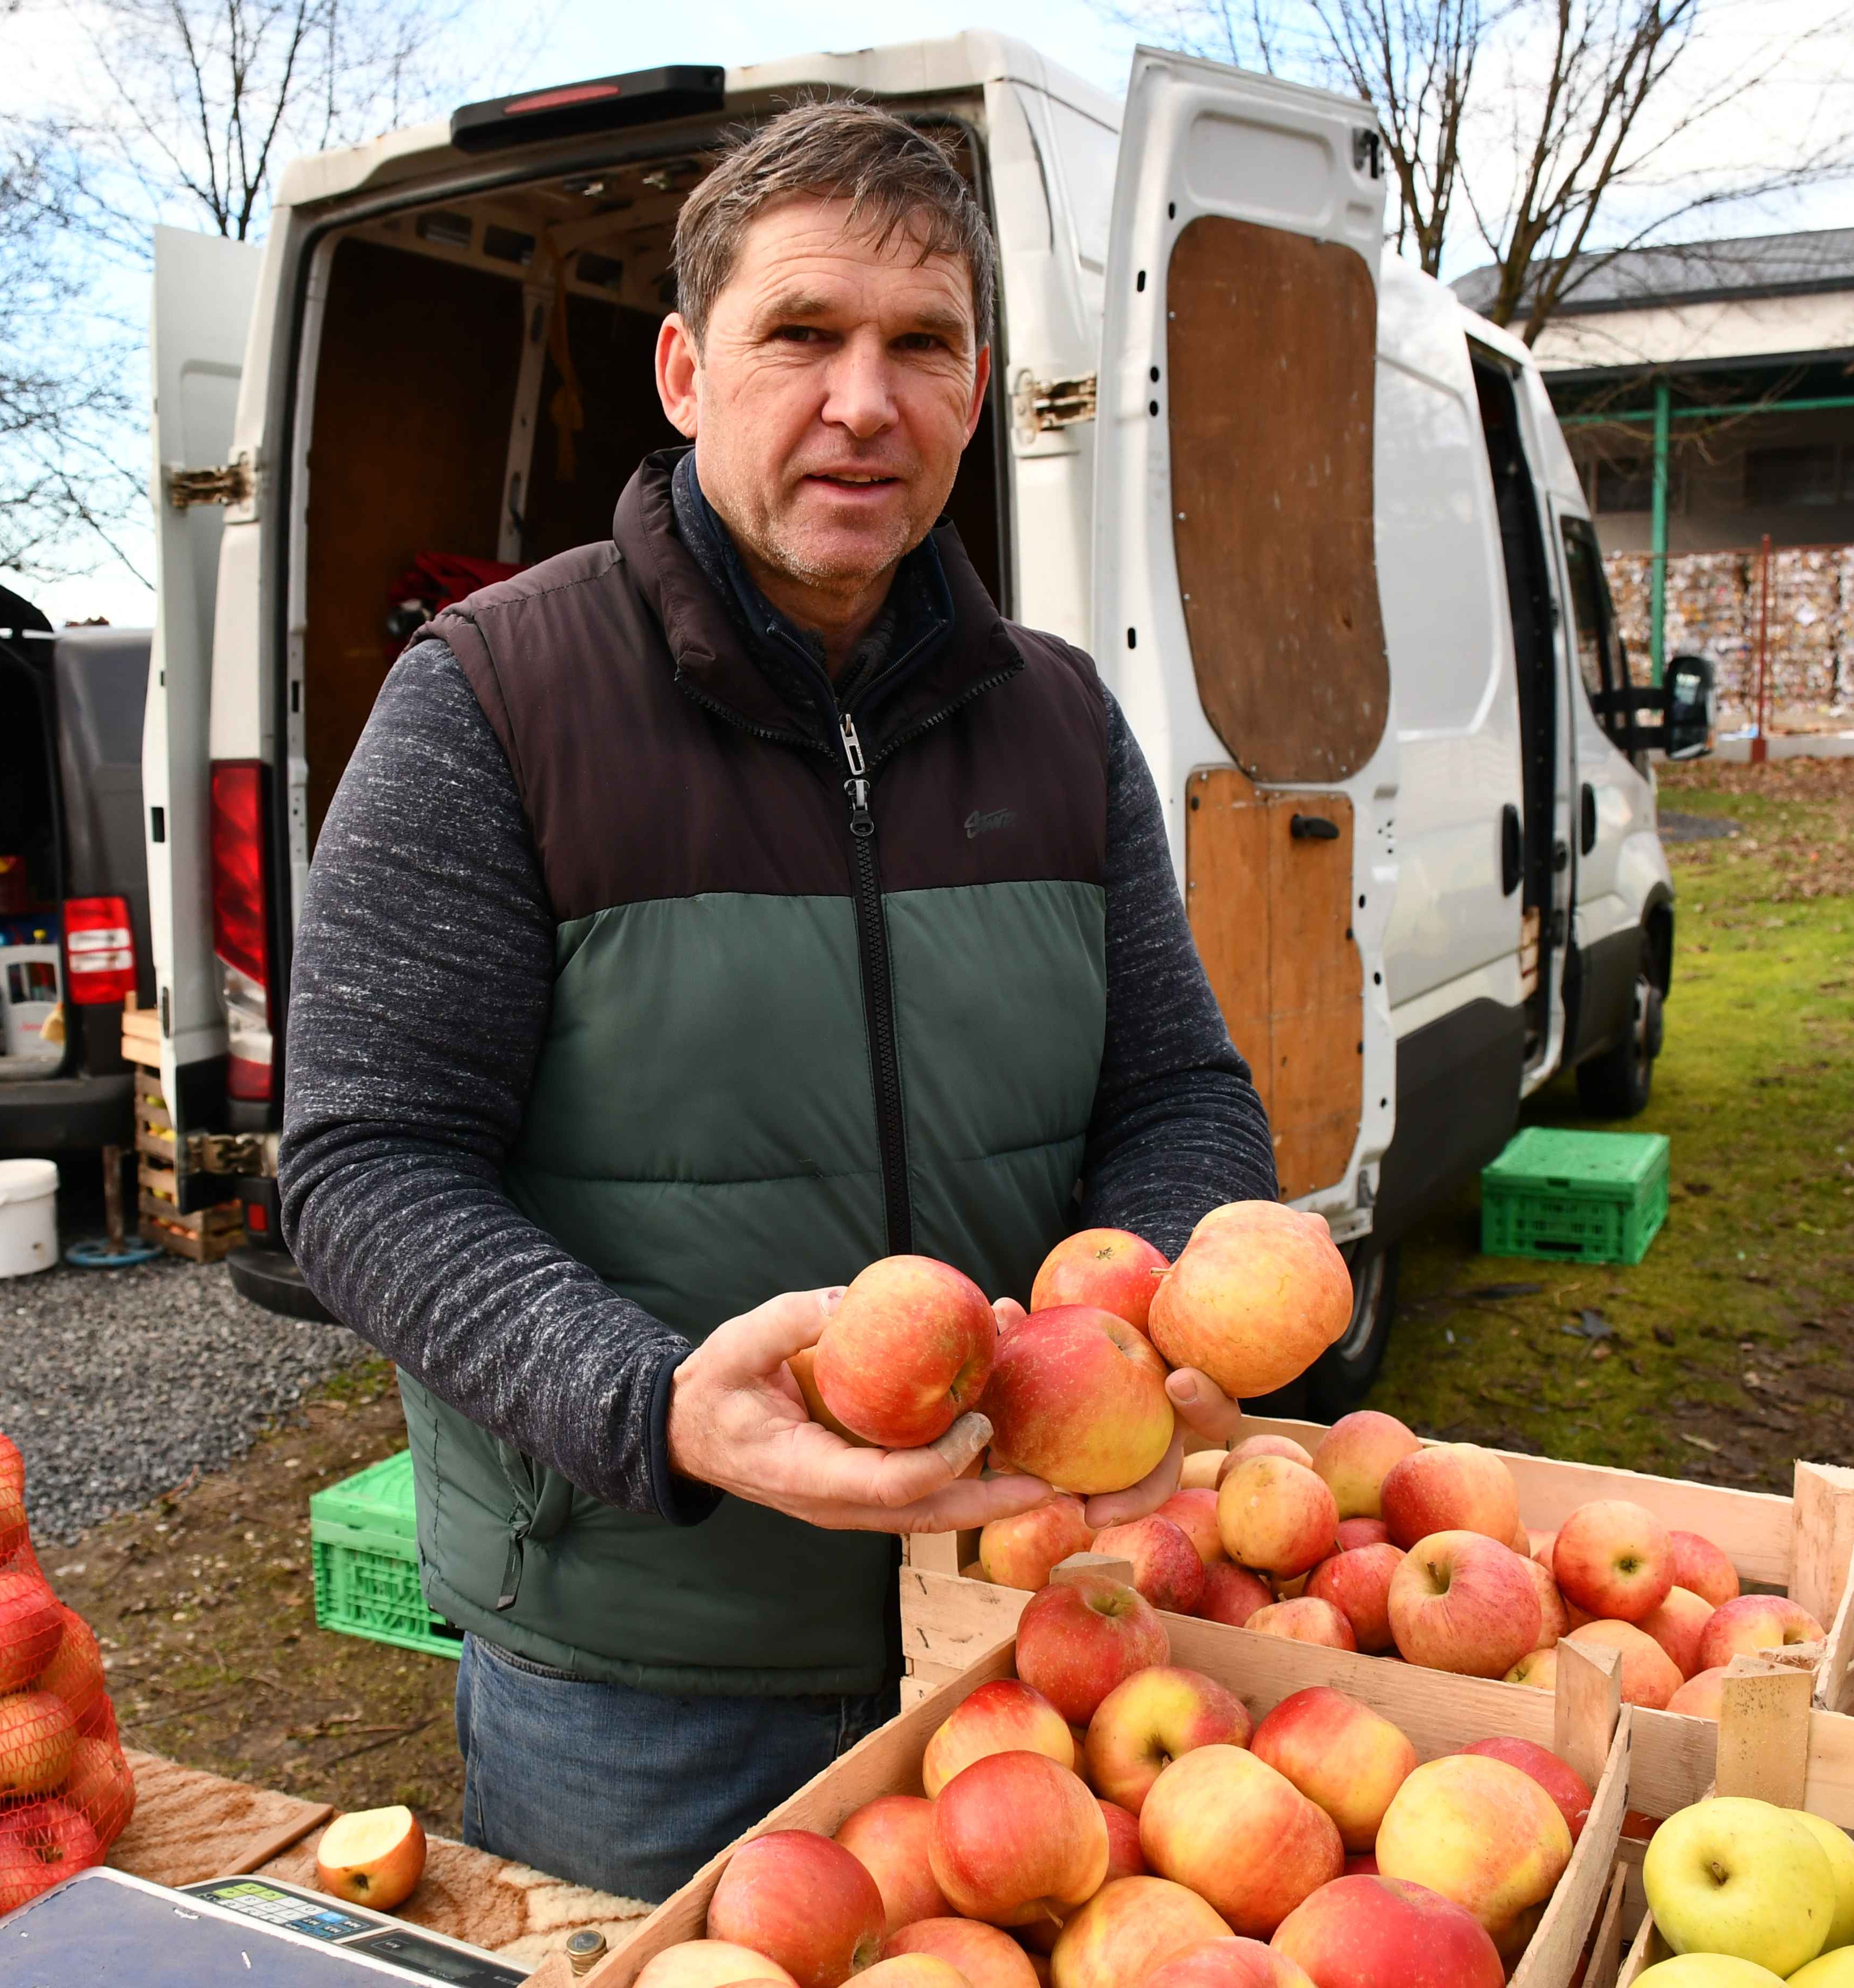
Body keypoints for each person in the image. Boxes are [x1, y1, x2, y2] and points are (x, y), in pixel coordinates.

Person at [279, 100, 1282, 1899]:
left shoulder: (1058, 721)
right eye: (799, 335)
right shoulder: (492, 704)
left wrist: (1148, 1306)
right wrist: (650, 1403)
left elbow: (1176, 1091)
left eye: (919, 347)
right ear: (682, 370)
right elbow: (362, 1167)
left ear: (974, 396)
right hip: (648, 1666)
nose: (860, 401)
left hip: (1016, 1615)